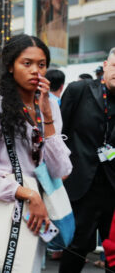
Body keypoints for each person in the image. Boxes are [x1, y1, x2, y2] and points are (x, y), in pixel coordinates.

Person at [0, 34, 72, 271]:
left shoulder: (50, 105)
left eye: (41, 65)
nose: (36, 71)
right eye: (27, 63)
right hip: (5, 207)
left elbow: (62, 169)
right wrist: (28, 194)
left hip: (38, 210)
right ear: (10, 66)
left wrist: (48, 117)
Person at [59, 48, 115, 273]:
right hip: (81, 184)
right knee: (77, 247)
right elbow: (60, 134)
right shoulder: (79, 90)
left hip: (112, 187)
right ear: (105, 65)